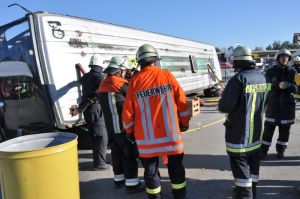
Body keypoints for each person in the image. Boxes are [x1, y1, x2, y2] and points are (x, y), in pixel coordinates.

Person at [122, 44, 191, 199]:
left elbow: (128, 112)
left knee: (151, 172)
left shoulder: (134, 81)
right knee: (176, 169)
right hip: (170, 136)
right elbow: (182, 103)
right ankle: (180, 196)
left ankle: (155, 197)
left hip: (146, 140)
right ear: (155, 60)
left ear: (140, 62)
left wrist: (129, 132)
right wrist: (184, 123)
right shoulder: (167, 75)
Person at [218, 45, 268, 199]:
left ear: (238, 62)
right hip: (256, 133)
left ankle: (245, 195)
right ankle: (253, 191)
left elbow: (224, 106)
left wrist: (223, 96)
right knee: (253, 164)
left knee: (240, 167)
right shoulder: (262, 77)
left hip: (239, 134)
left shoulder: (238, 79)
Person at [98, 56, 143, 193]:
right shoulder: (121, 84)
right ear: (120, 70)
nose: (126, 73)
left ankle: (119, 180)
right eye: (125, 70)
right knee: (129, 154)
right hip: (123, 126)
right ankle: (132, 184)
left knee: (116, 153)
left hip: (110, 127)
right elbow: (134, 102)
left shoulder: (103, 83)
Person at [70, 54, 108, 170]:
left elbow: (84, 80)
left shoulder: (86, 77)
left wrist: (80, 108)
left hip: (88, 110)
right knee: (101, 137)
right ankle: (100, 163)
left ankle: (100, 159)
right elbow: (97, 94)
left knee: (95, 136)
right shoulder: (100, 77)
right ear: (100, 65)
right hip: (96, 108)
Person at [260, 49, 297, 160]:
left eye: (287, 57)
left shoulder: (293, 72)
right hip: (273, 106)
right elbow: (266, 85)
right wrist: (277, 85)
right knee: (268, 132)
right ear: (278, 58)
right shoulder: (270, 71)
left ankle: (281, 151)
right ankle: (263, 151)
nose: (285, 59)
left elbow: (297, 88)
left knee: (284, 133)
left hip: (287, 107)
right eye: (282, 57)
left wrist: (289, 86)